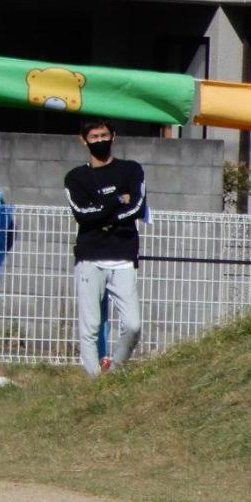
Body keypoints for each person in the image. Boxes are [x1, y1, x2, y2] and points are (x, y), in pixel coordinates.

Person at [63, 117, 146, 377]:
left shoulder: (131, 170)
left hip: (123, 256)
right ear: (83, 140)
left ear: (113, 136)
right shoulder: (76, 177)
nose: (100, 141)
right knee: (91, 326)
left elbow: (137, 206)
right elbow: (83, 215)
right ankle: (94, 381)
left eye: (104, 136)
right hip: (90, 258)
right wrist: (116, 201)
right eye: (94, 137)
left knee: (133, 324)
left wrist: (104, 210)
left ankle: (115, 372)